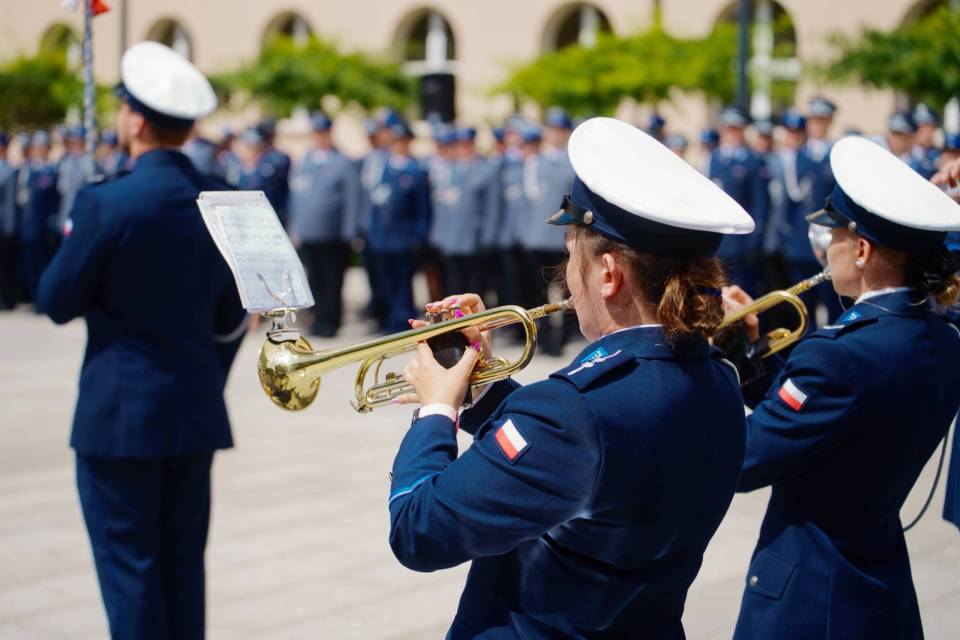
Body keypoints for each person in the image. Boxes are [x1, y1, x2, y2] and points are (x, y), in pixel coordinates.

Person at [388, 117, 754, 639]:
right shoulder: (716, 375)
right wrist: (480, 382)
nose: (567, 276)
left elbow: (419, 531)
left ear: (608, 274)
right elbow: (575, 452)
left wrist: (435, 411)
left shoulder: (574, 411)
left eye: (570, 255)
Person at [36, 42, 247, 640]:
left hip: (120, 417)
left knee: (132, 574)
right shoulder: (222, 200)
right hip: (193, 411)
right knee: (182, 571)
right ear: (190, 126)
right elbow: (234, 317)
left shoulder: (106, 201)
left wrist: (78, 231)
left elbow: (55, 301)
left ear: (133, 120)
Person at [725, 135, 960, 639]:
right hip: (877, 582)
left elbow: (742, 460)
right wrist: (748, 352)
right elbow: (822, 420)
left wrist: (708, 367)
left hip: (810, 597)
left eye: (833, 235)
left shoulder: (838, 354)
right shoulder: (943, 339)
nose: (826, 248)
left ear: (862, 250)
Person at [287, 112, 359, 337]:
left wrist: (350, 231)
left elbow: (352, 198)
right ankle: (317, 319)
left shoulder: (342, 161)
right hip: (309, 232)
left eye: (323, 133)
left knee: (332, 280)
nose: (319, 137)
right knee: (314, 279)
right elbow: (296, 196)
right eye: (316, 133)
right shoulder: (305, 161)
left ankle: (330, 321)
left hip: (333, 233)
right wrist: (295, 227)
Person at [365, 119, 430, 333]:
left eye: (403, 141)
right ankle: (389, 319)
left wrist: (418, 236)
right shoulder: (384, 166)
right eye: (395, 141)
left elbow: (422, 208)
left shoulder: (415, 170)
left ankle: (402, 320)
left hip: (403, 237)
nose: (399, 145)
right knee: (386, 281)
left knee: (403, 283)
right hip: (383, 235)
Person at [710, 106, 769, 294]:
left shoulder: (751, 161)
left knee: (741, 291)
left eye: (735, 129)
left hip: (741, 241)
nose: (731, 133)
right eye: (728, 128)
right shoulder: (714, 159)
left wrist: (755, 238)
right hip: (717, 240)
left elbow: (760, 203)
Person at [18, 130, 59, 304]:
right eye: (36, 147)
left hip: (43, 226)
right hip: (27, 224)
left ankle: (41, 299)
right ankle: (33, 297)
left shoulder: (50, 171)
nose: (38, 150)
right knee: (29, 264)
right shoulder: (28, 170)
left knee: (43, 263)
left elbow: (53, 201)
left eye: (42, 147)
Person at [0, 132, 18, 309]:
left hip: (2, 224)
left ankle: (6, 299)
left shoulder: (8, 170)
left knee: (4, 266)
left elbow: (9, 202)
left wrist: (9, 227)